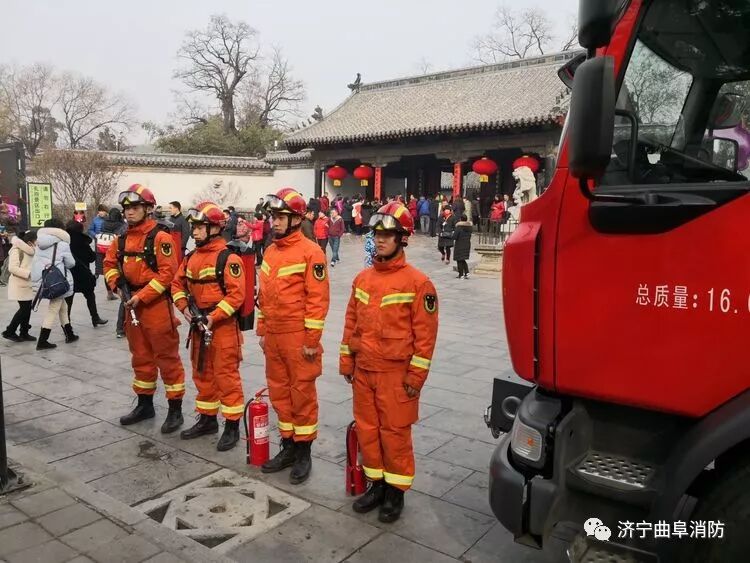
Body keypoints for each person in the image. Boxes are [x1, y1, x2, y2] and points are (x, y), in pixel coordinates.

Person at [340, 202, 439, 523]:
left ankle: (396, 492)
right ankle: (377, 484)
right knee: (368, 430)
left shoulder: (419, 284)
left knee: (394, 434)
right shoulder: (362, 279)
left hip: (396, 376)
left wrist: (416, 377)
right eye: (377, 234)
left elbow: (425, 338)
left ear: (402, 238)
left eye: (387, 234)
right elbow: (351, 323)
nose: (380, 239)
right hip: (364, 372)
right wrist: (347, 361)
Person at [258, 187, 330, 484]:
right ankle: (287, 446)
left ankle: (303, 452)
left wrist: (311, 341)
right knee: (278, 391)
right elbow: (263, 295)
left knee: (301, 394)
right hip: (274, 336)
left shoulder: (311, 252)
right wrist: (262, 329)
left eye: (281, 217)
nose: (274, 222)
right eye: (273, 217)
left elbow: (318, 299)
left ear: (296, 219)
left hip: (298, 336)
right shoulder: (270, 251)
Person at [103, 184, 186, 434]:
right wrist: (117, 286)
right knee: (140, 357)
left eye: (135, 207)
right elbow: (109, 265)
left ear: (148, 209)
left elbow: (168, 274)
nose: (129, 212)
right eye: (126, 208)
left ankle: (175, 410)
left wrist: (142, 296)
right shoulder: (121, 239)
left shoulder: (161, 238)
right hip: (132, 305)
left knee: (167, 358)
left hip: (156, 306)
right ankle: (145, 405)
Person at [172, 201, 246, 451]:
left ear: (214, 228)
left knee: (226, 376)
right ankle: (207, 419)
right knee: (201, 373)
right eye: (193, 227)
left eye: (199, 227)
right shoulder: (190, 258)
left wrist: (213, 317)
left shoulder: (229, 258)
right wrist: (184, 309)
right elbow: (177, 285)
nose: (194, 232)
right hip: (197, 324)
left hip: (222, 328)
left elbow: (236, 295)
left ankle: (232, 426)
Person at [31, 218, 77, 350]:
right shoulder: (62, 244)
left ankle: (69, 334)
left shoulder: (38, 243)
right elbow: (71, 263)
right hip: (57, 281)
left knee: (63, 307)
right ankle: (42, 340)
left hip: (44, 279)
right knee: (53, 309)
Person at [65, 221, 107, 327]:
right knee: (90, 296)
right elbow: (92, 257)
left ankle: (66, 323)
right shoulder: (83, 241)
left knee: (68, 300)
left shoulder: (64, 242)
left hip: (69, 274)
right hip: (83, 274)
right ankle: (95, 318)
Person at [3, 230, 37, 342]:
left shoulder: (32, 250)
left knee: (27, 309)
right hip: (19, 284)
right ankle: (9, 331)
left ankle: (24, 332)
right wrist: (28, 273)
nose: (37, 243)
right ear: (30, 242)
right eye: (36, 240)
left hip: (28, 284)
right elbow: (12, 268)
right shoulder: (17, 250)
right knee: (24, 309)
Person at [97, 208, 127, 333]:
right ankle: (121, 328)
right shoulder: (121, 224)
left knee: (107, 271)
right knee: (117, 270)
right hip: (116, 251)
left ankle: (109, 291)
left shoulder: (104, 223)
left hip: (103, 249)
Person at [453, 214, 473, 279]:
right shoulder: (469, 227)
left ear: (460, 219)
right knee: (462, 259)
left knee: (459, 259)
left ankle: (461, 274)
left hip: (460, 245)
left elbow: (455, 236)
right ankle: (466, 272)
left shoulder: (459, 227)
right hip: (467, 244)